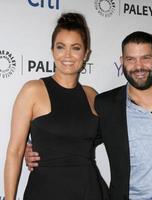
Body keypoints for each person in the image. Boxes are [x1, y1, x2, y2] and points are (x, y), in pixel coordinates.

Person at [25, 31, 152, 200]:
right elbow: (78, 136)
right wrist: (35, 145)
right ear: (122, 62)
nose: (138, 66)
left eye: (145, 58)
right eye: (130, 59)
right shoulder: (107, 105)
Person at [4, 12, 108, 200]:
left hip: (89, 191)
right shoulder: (33, 90)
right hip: (45, 191)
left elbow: (114, 133)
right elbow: (15, 152)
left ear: (86, 54)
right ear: (52, 50)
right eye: (61, 47)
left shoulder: (92, 95)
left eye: (75, 48)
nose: (67, 55)